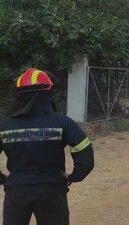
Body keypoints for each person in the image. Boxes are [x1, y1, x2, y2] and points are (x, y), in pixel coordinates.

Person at [0, 68, 95, 225]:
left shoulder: (4, 126)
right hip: (52, 190)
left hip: (16, 191)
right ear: (47, 93)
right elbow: (85, 155)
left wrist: (3, 179)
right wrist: (74, 176)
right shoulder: (62, 122)